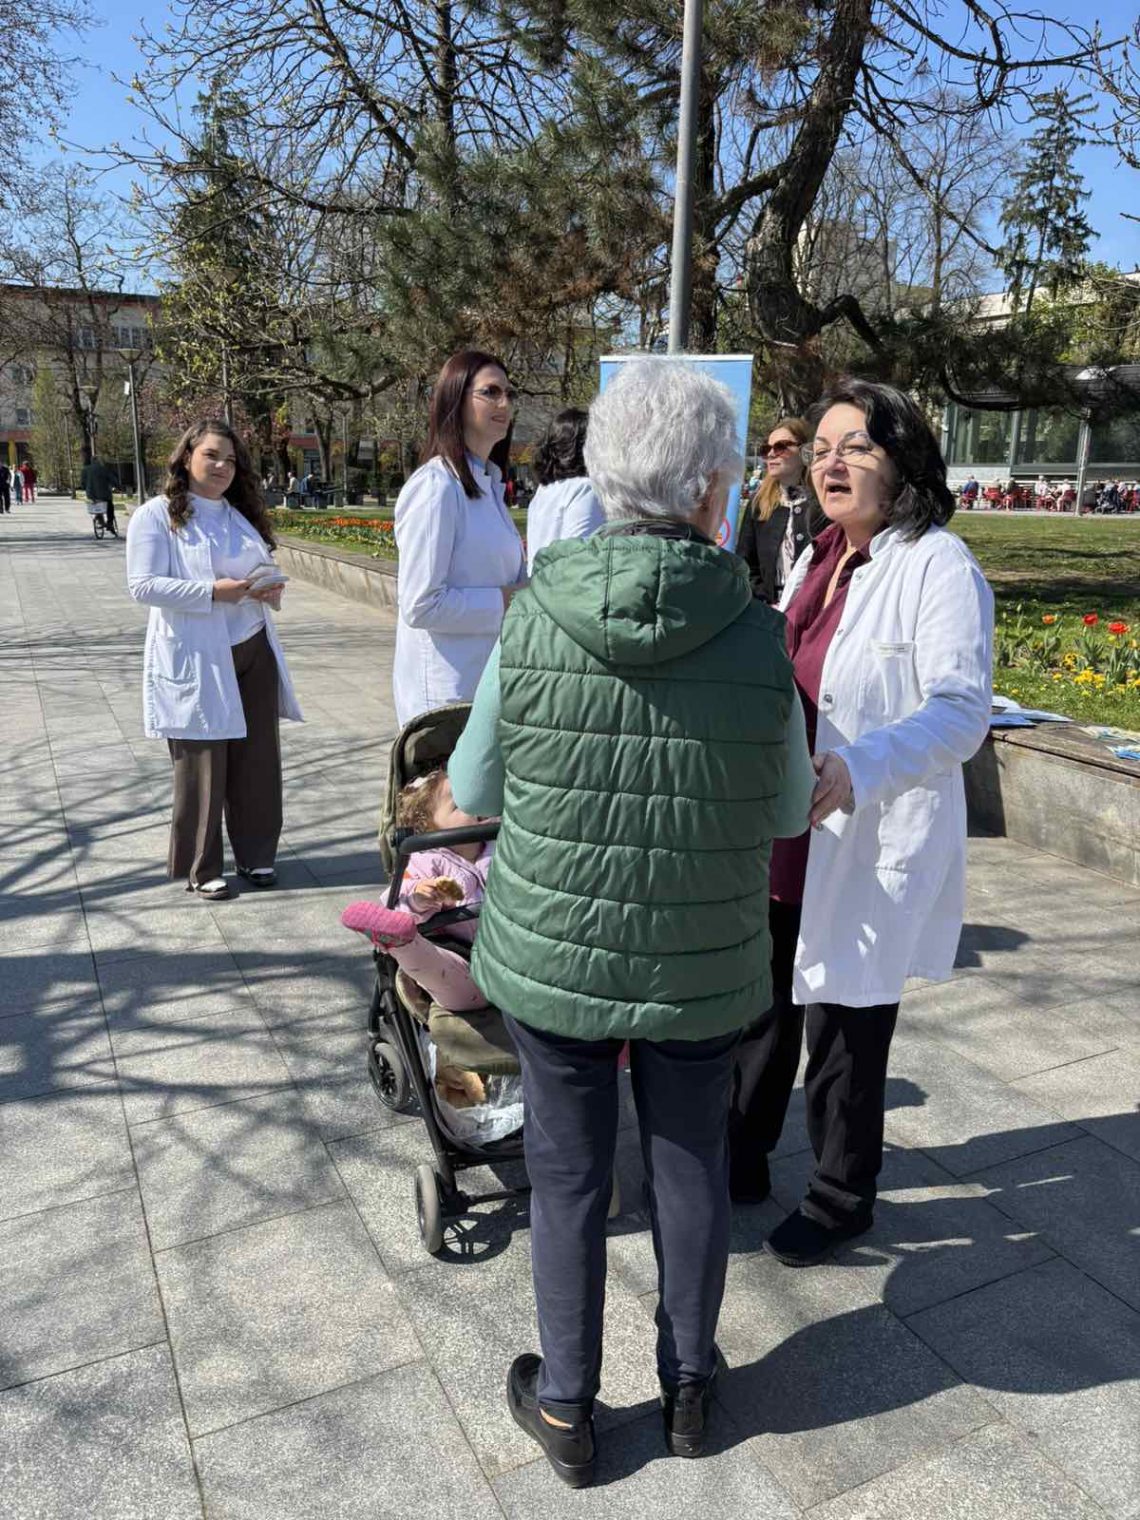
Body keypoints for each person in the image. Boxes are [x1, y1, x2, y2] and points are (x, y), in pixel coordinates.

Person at [446, 359, 815, 1485]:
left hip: (554, 954)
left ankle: (566, 1408)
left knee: (565, 1176)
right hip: (700, 954)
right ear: (713, 490)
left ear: (604, 479)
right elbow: (792, 804)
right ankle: (691, 1384)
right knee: (691, 1162)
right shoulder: (756, 637)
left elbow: (472, 783)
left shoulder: (538, 618)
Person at [728, 378, 993, 1267]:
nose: (831, 461)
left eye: (857, 447)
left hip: (865, 821)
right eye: (824, 446)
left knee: (845, 1019)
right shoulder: (819, 554)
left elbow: (961, 713)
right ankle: (741, 1152)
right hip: (788, 817)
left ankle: (842, 1195)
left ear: (904, 462)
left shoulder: (937, 565)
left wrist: (859, 769)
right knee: (764, 996)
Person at [126, 420, 302, 901]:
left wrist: (268, 588)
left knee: (258, 760)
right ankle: (202, 867)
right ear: (186, 457)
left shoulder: (237, 516)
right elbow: (143, 585)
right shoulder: (156, 516)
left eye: (230, 459)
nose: (222, 466)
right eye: (211, 455)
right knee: (203, 763)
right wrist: (211, 593)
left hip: (253, 647)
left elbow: (258, 570)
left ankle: (257, 854)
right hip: (197, 654)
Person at [392, 348, 526, 727]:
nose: (504, 403)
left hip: (486, 683)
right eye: (491, 392)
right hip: (446, 693)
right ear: (456, 397)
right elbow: (420, 605)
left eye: (509, 394)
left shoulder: (490, 484)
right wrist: (506, 600)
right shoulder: (436, 487)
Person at [340, 767, 492, 1014]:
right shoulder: (426, 859)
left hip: (513, 948)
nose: (473, 804)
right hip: (460, 958)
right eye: (458, 805)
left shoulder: (498, 840)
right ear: (430, 829)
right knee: (440, 971)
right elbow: (400, 902)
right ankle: (400, 942)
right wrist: (421, 898)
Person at [734, 417, 827, 604]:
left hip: (814, 612)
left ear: (804, 451)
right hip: (768, 612)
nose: (771, 454)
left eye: (781, 447)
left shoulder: (823, 504)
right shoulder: (759, 505)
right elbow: (745, 564)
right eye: (766, 449)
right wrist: (764, 604)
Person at [525, 408, 606, 573]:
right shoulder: (585, 488)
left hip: (540, 585)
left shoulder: (544, 490)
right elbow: (580, 553)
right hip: (566, 589)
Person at [82, 457, 118, 536]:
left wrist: (85, 488)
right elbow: (112, 479)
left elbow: (83, 482)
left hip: (91, 494)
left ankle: (98, 517)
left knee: (95, 503)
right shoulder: (104, 469)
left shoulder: (85, 470)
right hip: (104, 494)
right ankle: (109, 523)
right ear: (99, 462)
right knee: (110, 506)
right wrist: (116, 485)